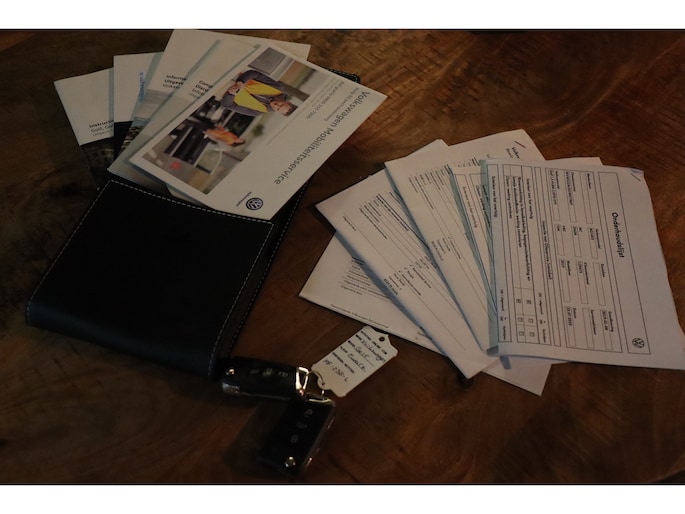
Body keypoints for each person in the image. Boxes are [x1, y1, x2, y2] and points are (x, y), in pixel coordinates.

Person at [220, 69, 297, 117]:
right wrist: (241, 82)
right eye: (281, 105)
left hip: (221, 88)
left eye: (278, 109)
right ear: (288, 102)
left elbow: (228, 105)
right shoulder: (277, 87)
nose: (276, 106)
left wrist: (230, 94)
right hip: (233, 72)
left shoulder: (257, 112)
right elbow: (254, 74)